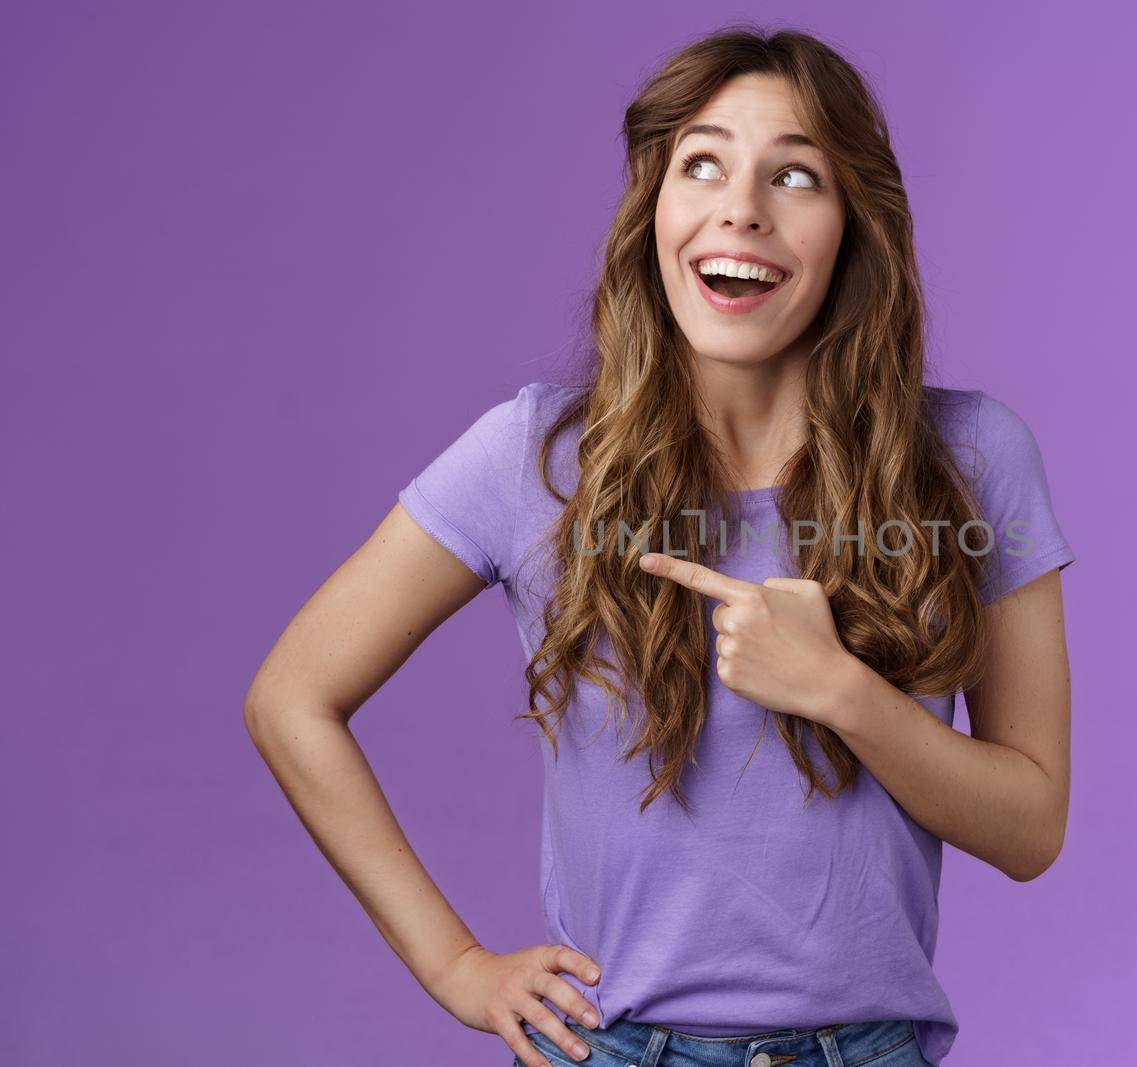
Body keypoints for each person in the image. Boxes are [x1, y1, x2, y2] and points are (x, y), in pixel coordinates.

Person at [245, 26, 1075, 1067]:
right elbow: (292, 696)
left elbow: (1030, 825)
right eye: (703, 163)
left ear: (852, 224)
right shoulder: (538, 458)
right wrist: (456, 963)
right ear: (655, 211)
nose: (742, 208)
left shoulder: (973, 458)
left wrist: (839, 690)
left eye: (795, 174)